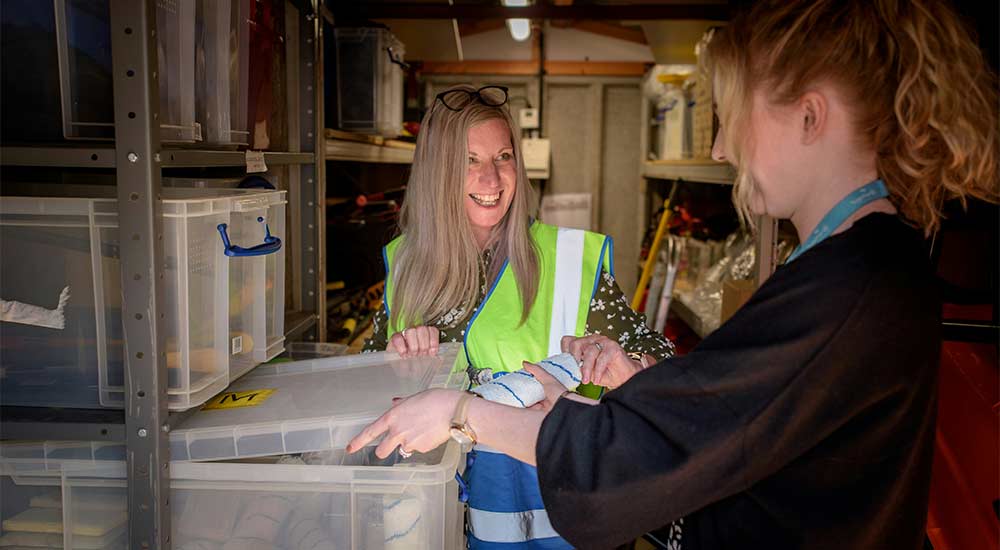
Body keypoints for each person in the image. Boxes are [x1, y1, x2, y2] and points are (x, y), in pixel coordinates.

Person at [349, 1, 1000, 548]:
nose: (719, 148)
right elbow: (713, 425)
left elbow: (633, 458)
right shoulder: (855, 273)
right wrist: (632, 384)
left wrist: (464, 411)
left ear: (809, 114)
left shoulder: (852, 288)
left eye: (731, 115)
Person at [361, 83, 675, 548]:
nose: (492, 180)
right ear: (436, 171)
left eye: (503, 157)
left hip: (550, 529)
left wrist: (626, 368)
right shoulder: (406, 264)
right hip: (432, 523)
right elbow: (363, 397)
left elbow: (661, 362)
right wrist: (393, 361)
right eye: (469, 161)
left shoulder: (567, 258)